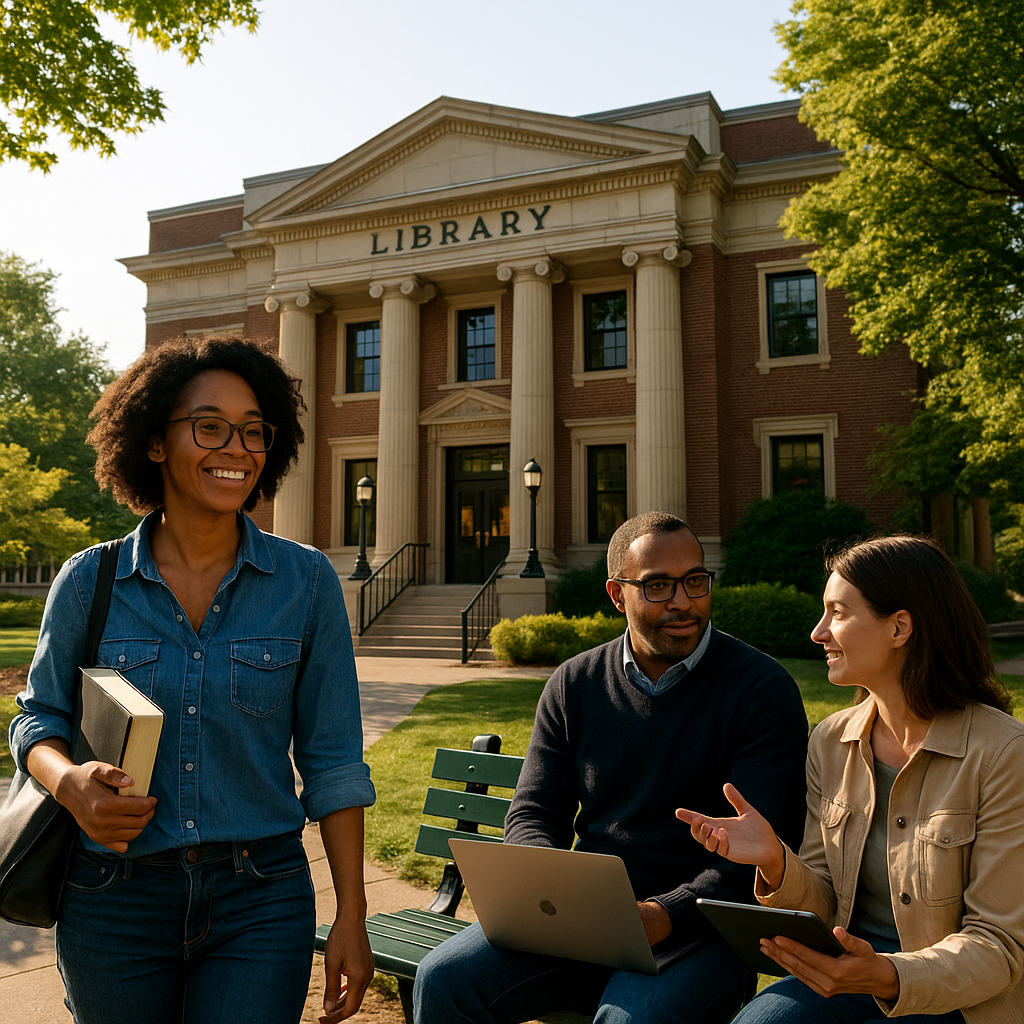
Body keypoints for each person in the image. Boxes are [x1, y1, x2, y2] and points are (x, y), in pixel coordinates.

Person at [10, 336, 376, 1024]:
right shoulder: (91, 580)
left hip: (260, 898)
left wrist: (352, 914)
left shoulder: (307, 583)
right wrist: (69, 784)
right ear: (153, 442)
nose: (235, 448)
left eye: (253, 431)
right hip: (111, 897)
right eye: (209, 427)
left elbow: (333, 762)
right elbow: (35, 719)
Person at [413, 511, 809, 1023]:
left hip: (702, 933)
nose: (683, 601)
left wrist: (663, 914)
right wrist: (547, 889)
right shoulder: (573, 684)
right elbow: (533, 812)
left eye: (694, 581)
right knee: (444, 978)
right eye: (659, 586)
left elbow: (763, 854)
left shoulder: (761, 691)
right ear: (617, 595)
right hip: (584, 920)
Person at [677, 535, 1024, 1024]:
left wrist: (885, 974)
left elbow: (998, 945)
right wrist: (776, 861)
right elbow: (825, 904)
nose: (818, 632)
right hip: (845, 978)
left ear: (900, 626)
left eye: (837, 613)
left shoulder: (1004, 754)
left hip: (958, 1000)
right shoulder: (830, 742)